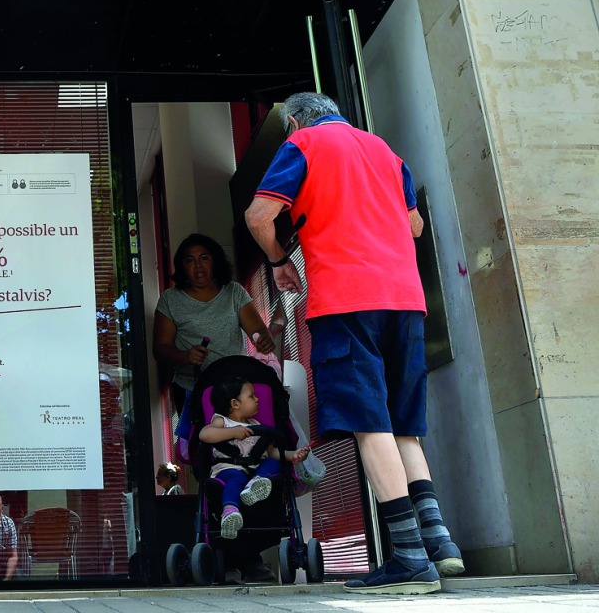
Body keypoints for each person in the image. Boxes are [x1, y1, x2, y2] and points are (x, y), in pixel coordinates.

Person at [245, 92, 464, 595]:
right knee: (404, 426)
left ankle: (409, 558)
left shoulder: (302, 144)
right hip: (405, 301)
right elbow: (414, 226)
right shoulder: (385, 151)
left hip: (346, 301)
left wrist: (279, 261)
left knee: (370, 424)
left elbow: (259, 216)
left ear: (294, 122)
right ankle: (438, 541)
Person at [153, 233, 276, 415]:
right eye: (190, 260)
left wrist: (264, 339)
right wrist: (186, 356)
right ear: (182, 266)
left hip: (235, 389)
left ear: (215, 261)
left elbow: (258, 331)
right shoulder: (170, 299)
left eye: (204, 258)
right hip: (191, 389)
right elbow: (160, 349)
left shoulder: (234, 292)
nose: (198, 265)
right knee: (201, 434)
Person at [199, 376, 309, 541]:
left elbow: (272, 452)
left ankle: (255, 484)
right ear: (235, 404)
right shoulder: (222, 421)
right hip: (229, 468)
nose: (257, 399)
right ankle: (230, 512)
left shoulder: (255, 424)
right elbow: (204, 434)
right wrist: (233, 432)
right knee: (235, 479)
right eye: (251, 396)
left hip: (256, 470)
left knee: (273, 462)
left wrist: (293, 454)